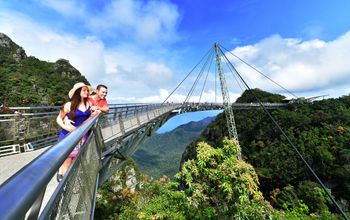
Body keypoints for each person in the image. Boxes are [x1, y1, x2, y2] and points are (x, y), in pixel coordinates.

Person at [56, 82, 94, 182]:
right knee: (68, 157)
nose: (87, 92)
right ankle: (63, 178)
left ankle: (63, 173)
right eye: (84, 90)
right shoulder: (69, 104)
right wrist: (65, 124)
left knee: (73, 158)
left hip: (82, 135)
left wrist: (95, 113)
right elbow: (59, 119)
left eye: (87, 90)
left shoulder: (88, 104)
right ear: (78, 92)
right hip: (69, 134)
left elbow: (89, 117)